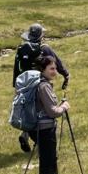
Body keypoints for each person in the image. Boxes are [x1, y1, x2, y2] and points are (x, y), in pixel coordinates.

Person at [12, 23, 68, 152]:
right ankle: (41, 142)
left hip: (24, 85)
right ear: (41, 35)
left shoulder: (22, 48)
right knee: (42, 112)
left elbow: (16, 69)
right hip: (40, 84)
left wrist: (16, 86)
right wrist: (66, 74)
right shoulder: (44, 48)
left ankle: (25, 133)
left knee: (29, 110)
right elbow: (55, 63)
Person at [33, 54, 71, 174]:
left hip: (41, 128)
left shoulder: (40, 83)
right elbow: (52, 111)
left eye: (55, 68)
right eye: (51, 68)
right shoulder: (44, 87)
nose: (55, 71)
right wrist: (64, 107)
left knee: (51, 158)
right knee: (46, 165)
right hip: (45, 129)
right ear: (43, 69)